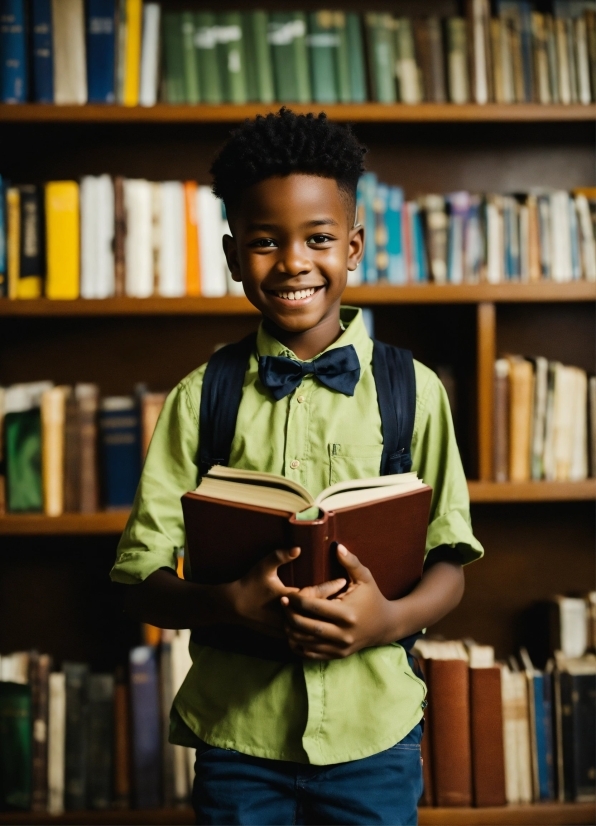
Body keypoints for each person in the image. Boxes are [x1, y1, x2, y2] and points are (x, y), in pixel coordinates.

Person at [111, 108, 484, 826]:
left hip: (376, 738)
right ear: (230, 256)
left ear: (355, 248)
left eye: (318, 239)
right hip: (238, 743)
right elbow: (138, 583)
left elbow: (451, 562)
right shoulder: (200, 398)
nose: (292, 262)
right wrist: (225, 604)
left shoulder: (416, 391)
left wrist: (387, 620)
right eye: (263, 242)